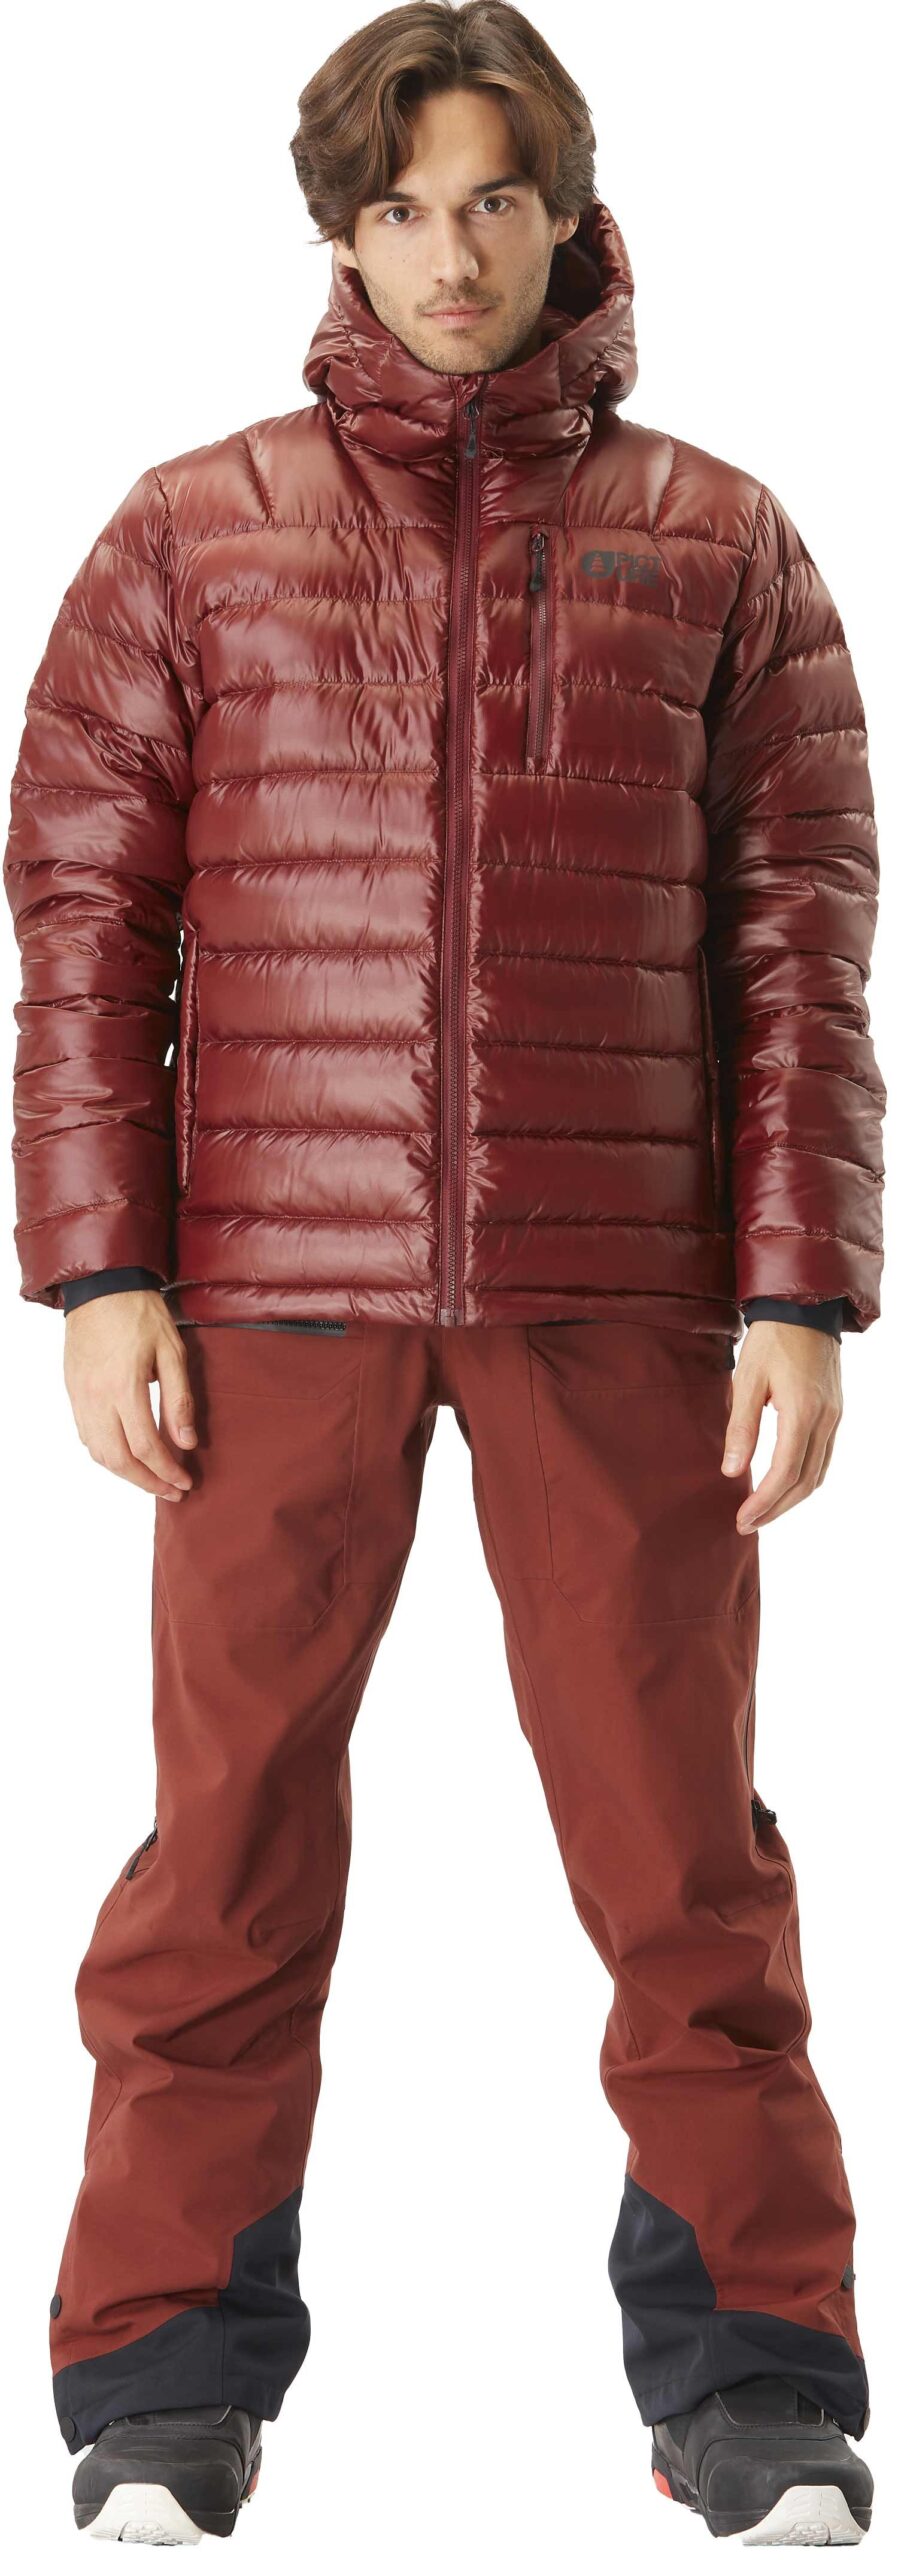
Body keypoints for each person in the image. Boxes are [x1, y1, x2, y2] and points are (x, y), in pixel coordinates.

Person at [3, 2, 885, 2544]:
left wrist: (798, 1292)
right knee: (224, 1845)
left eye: (491, 197)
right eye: (396, 207)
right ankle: (161, 2386)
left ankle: (754, 2384)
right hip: (268, 1284)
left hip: (620, 1287)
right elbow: (84, 915)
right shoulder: (190, 530)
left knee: (676, 1855)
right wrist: (100, 1264)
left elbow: (799, 939)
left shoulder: (718, 540)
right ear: (338, 230)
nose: (446, 252)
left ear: (563, 208)